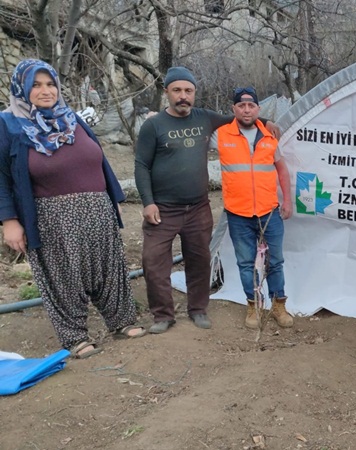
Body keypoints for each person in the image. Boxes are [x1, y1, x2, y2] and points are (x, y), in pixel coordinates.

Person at [0, 59, 145, 358]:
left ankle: (122, 322)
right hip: (51, 215)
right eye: (36, 85)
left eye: (50, 84)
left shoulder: (72, 119)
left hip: (97, 209)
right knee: (61, 274)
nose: (46, 90)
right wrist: (9, 221)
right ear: (22, 89)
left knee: (110, 267)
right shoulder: (9, 124)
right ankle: (75, 337)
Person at [135, 67, 280, 334]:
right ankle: (163, 315)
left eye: (188, 91)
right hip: (163, 209)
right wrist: (148, 202)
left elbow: (239, 116)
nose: (183, 96)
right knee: (154, 261)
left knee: (199, 259)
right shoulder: (153, 125)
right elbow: (141, 164)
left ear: (194, 94)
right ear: (167, 92)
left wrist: (266, 120)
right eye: (177, 90)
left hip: (198, 207)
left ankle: (198, 309)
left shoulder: (204, 118)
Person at [211, 87, 293, 329]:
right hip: (238, 214)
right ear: (233, 109)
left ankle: (279, 305)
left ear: (258, 108)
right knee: (246, 263)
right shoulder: (221, 135)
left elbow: (282, 170)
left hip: (269, 212)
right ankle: (253, 307)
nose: (246, 110)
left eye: (251, 106)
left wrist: (287, 201)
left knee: (275, 262)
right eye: (241, 106)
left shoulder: (269, 136)